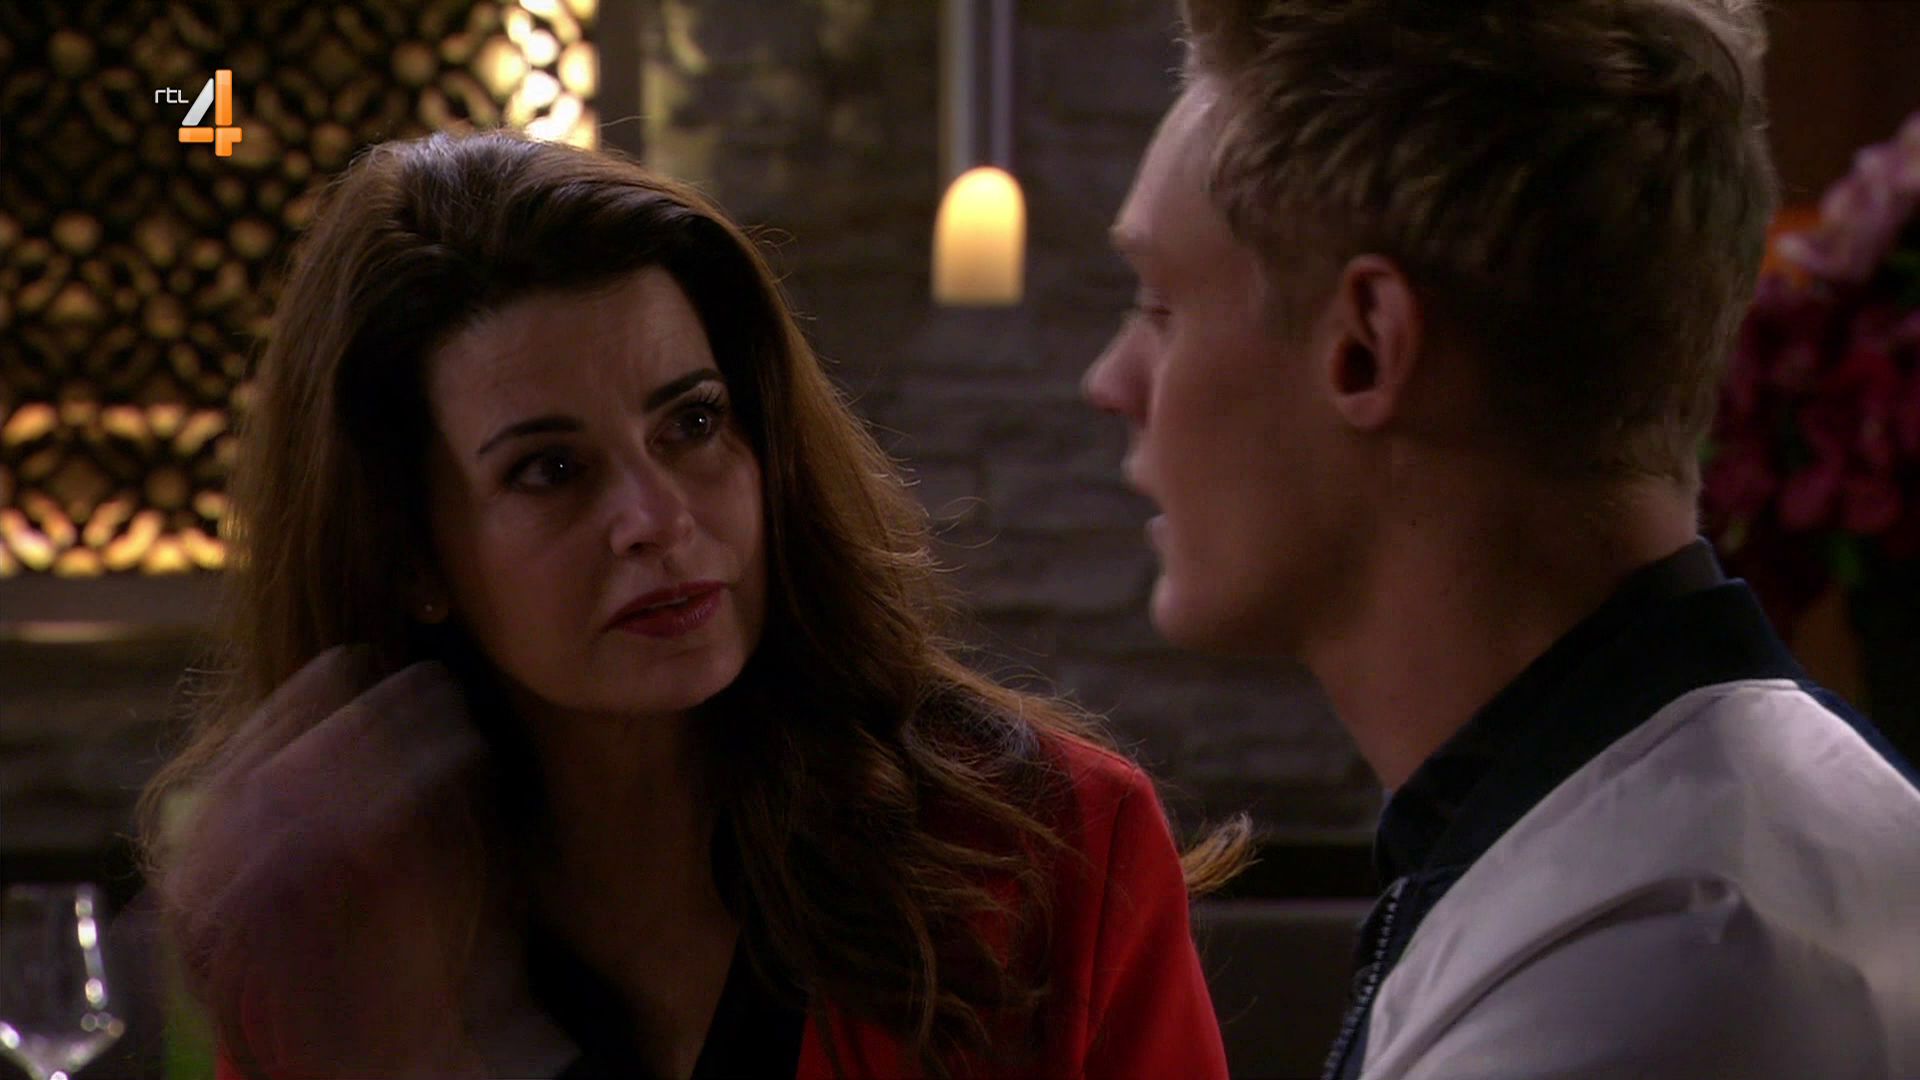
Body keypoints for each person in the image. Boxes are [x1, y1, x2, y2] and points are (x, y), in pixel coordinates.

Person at [141, 129, 1246, 1080]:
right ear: (412, 556)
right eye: (549, 470)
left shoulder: (1047, 853)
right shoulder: (344, 929)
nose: (657, 517)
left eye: (694, 423)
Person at [1082, 1, 1920, 1078]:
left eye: (1160, 306)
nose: (1110, 382)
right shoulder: (1746, 827)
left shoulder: (1637, 978)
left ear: (1365, 347)